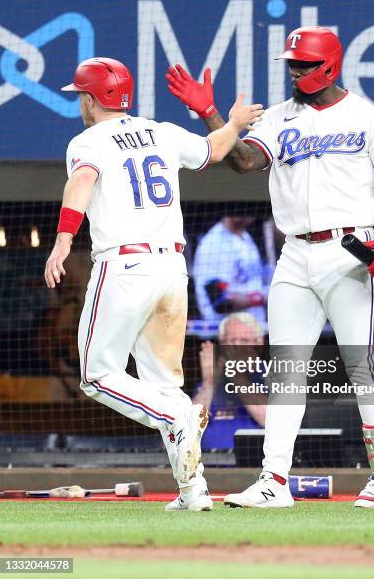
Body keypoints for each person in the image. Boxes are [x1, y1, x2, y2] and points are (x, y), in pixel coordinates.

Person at [166, 26, 374, 508]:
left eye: (304, 64)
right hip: (295, 253)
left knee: (362, 366)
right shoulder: (278, 117)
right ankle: (274, 482)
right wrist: (210, 115)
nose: (296, 71)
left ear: (329, 66)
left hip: (351, 250)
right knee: (285, 370)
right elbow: (242, 161)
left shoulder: (368, 117)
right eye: (292, 63)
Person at [44, 57, 263, 512]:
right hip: (171, 270)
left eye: (81, 95)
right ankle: (193, 491)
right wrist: (236, 121)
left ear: (90, 98)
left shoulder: (88, 140)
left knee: (96, 374)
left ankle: (177, 417)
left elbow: (82, 181)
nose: (80, 102)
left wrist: (64, 239)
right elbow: (214, 151)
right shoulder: (160, 131)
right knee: (163, 382)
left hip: (124, 268)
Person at [194, 312, 266, 450]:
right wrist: (209, 381)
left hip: (254, 465)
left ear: (259, 343)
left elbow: (271, 421)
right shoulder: (212, 379)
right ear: (221, 344)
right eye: (231, 341)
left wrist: (237, 375)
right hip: (209, 465)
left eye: (244, 341)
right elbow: (187, 427)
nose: (236, 347)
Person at [193, 216, 267, 332]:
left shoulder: (245, 237)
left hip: (253, 330)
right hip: (226, 334)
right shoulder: (214, 243)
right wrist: (262, 298)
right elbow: (219, 300)